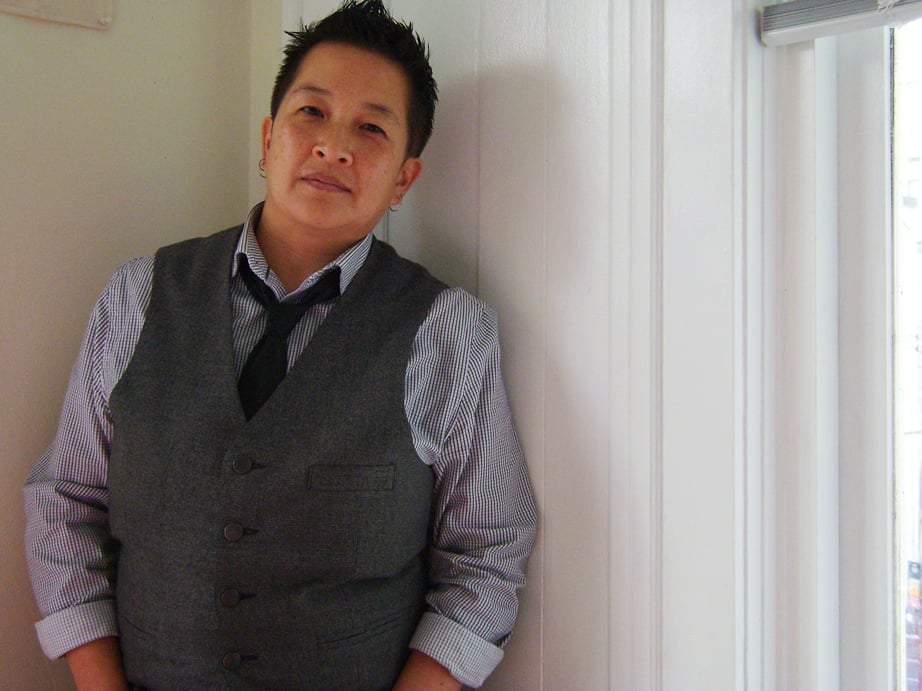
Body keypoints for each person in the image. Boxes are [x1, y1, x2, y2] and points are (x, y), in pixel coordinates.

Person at [22, 1, 537, 688]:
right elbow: (65, 501)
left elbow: (487, 556)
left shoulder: (449, 332)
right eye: (312, 112)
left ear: (403, 179)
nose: (334, 147)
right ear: (268, 139)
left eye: (372, 128)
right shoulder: (137, 296)